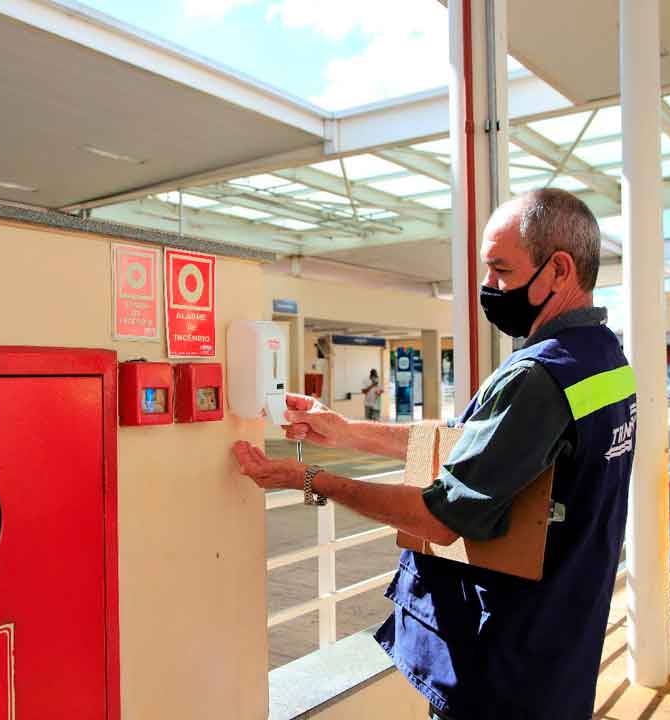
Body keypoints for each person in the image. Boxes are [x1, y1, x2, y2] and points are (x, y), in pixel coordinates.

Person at [233, 188, 637, 720]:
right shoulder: (604, 360)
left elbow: (440, 517)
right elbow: (477, 444)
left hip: (503, 663)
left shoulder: (540, 376)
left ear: (559, 270)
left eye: (501, 270)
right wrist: (346, 430)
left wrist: (312, 480)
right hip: (563, 645)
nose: (488, 286)